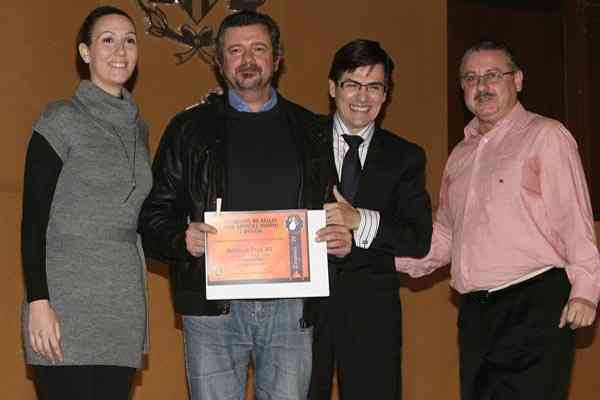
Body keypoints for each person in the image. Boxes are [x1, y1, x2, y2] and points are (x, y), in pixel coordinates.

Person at [138, 10, 352, 400]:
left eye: (258, 48)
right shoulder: (188, 130)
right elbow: (152, 215)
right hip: (211, 310)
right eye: (235, 51)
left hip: (292, 308)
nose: (247, 59)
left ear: (277, 58)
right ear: (219, 63)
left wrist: (338, 239)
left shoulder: (314, 131)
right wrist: (180, 239)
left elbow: (332, 211)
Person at [396, 41, 600, 400]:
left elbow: (574, 219)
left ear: (517, 80)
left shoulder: (546, 135)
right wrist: (381, 252)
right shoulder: (460, 156)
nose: (481, 86)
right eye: (470, 78)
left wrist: (585, 292)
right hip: (475, 314)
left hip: (534, 303)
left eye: (492, 75)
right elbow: (445, 236)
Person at [20, 5, 152, 400]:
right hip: (66, 303)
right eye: (107, 40)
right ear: (85, 52)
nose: (120, 51)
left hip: (122, 305)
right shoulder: (60, 119)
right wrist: (39, 302)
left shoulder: (140, 130)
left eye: (129, 41)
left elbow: (142, 217)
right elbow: (32, 221)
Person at [307, 40, 433, 400]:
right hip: (302, 311)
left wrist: (359, 221)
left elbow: (417, 237)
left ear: (386, 94)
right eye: (352, 84)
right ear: (333, 88)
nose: (363, 97)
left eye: (374, 86)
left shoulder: (405, 157)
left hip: (372, 311)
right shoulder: (300, 141)